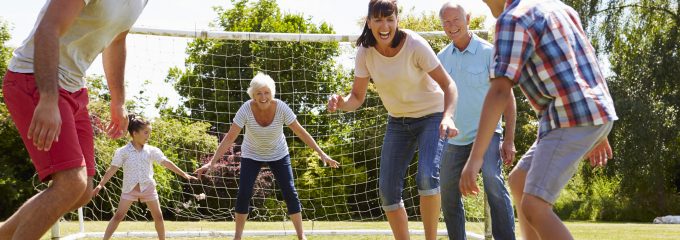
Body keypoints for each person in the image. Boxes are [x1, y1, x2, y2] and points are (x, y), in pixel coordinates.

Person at [459, 0, 618, 239]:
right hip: (589, 112)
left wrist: (475, 159)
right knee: (520, 181)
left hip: (570, 116)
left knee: (534, 205)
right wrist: (599, 128)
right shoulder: (558, 7)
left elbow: (501, 90)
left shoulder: (511, 18)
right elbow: (588, 63)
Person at [0, 0, 148, 239]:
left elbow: (117, 40)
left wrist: (118, 100)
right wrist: (48, 98)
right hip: (34, 78)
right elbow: (48, 27)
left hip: (75, 89)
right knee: (71, 184)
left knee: (82, 191)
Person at [327, 0, 459, 239]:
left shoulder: (415, 45)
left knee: (427, 177)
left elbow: (449, 84)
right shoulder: (365, 52)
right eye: (378, 19)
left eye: (389, 19)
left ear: (398, 20)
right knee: (388, 193)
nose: (384, 25)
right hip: (398, 122)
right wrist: (341, 103)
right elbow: (356, 97)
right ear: (369, 22)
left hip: (433, 116)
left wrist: (448, 117)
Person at [195, 72, 339, 240]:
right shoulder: (246, 109)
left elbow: (300, 131)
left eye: (266, 92)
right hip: (251, 154)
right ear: (253, 95)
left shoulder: (281, 107)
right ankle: (237, 237)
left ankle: (301, 236)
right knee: (244, 192)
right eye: (259, 93)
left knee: (290, 191)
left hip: (279, 153)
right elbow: (230, 137)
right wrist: (211, 163)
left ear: (272, 93)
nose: (263, 97)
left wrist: (321, 153)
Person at [437, 2, 516, 239]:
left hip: (489, 134)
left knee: (492, 177)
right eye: (446, 22)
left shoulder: (488, 52)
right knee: (447, 190)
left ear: (468, 19)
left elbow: (508, 99)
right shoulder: (440, 58)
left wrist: (509, 140)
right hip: (455, 138)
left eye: (456, 20)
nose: (452, 26)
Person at [92, 116, 198, 240]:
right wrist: (100, 185)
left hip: (148, 188)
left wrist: (184, 174)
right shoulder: (122, 152)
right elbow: (112, 169)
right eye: (146, 132)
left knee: (158, 216)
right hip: (129, 189)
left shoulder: (151, 150)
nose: (149, 136)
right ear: (135, 133)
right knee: (118, 216)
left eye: (150, 133)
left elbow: (166, 162)